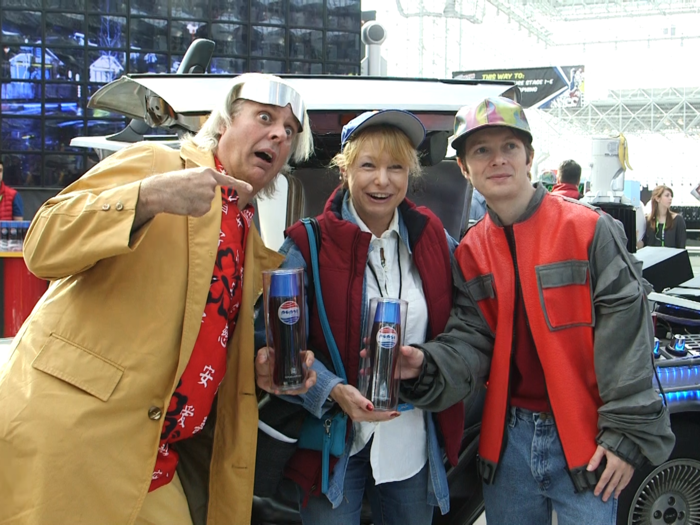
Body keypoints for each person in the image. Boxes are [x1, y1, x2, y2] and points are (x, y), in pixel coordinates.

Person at [0, 73, 317, 525]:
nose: (278, 135)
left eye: (290, 132)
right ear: (221, 123)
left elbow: (191, 335)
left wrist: (255, 368)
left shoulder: (249, 232)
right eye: (265, 118)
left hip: (156, 457)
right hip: (77, 438)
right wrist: (146, 197)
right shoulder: (158, 162)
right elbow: (43, 243)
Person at [395, 97, 675, 525]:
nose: (498, 159)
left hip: (589, 439)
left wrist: (625, 436)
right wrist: (427, 364)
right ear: (466, 169)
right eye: (481, 150)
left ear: (529, 156)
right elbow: (472, 338)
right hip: (507, 444)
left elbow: (628, 338)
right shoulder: (470, 251)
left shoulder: (589, 229)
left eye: (509, 146)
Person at [258, 110, 465, 525]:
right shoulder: (307, 242)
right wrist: (331, 391)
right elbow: (271, 343)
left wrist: (430, 364)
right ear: (345, 169)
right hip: (332, 444)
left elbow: (465, 323)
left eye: (396, 167)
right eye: (368, 165)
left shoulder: (434, 239)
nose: (382, 181)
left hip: (410, 443)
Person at [644, 184, 686, 248]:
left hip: (672, 257)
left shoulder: (678, 220)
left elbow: (681, 245)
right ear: (657, 198)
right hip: (653, 257)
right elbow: (644, 244)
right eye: (667, 196)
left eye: (671, 196)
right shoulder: (648, 220)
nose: (670, 198)